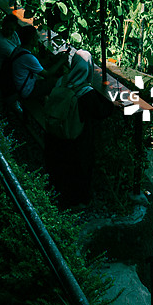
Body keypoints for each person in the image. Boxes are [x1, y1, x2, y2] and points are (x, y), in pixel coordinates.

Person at [44, 49, 113, 208]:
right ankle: (78, 201)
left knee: (60, 168)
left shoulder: (61, 81)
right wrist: (111, 101)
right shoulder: (85, 92)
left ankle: (58, 196)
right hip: (76, 138)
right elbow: (100, 112)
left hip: (56, 134)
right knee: (79, 168)